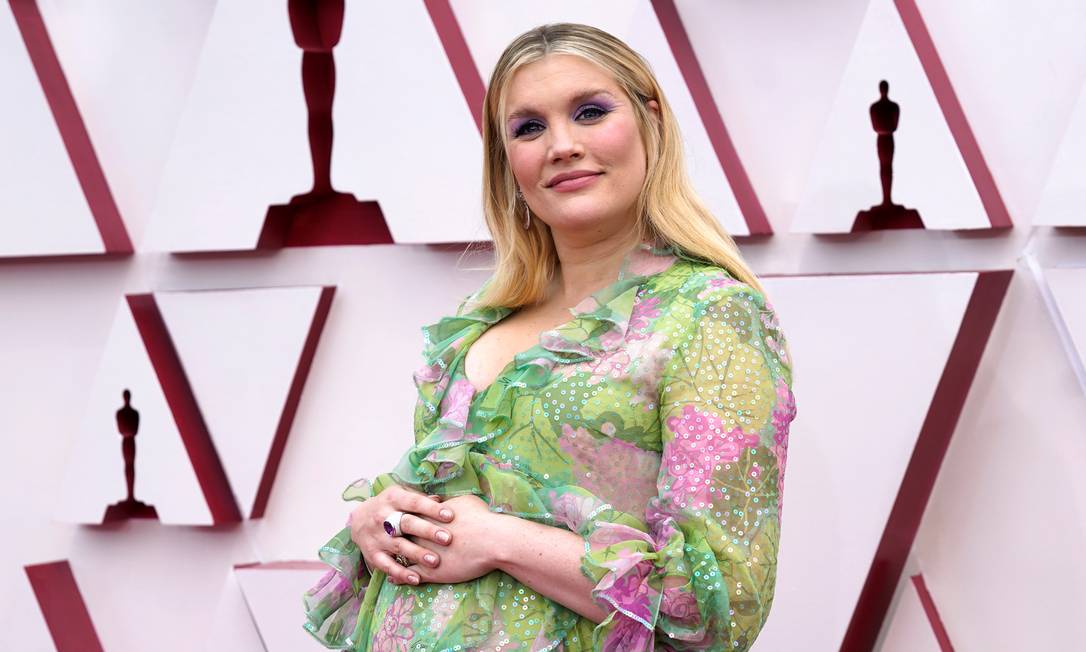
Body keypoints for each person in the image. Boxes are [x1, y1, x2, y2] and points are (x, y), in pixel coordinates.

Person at [303, 22, 797, 651]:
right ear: (506, 160)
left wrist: (502, 543)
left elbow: (716, 607)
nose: (561, 145)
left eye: (590, 112)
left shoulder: (709, 314)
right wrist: (384, 523)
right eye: (529, 127)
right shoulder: (479, 325)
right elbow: (450, 525)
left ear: (650, 121)